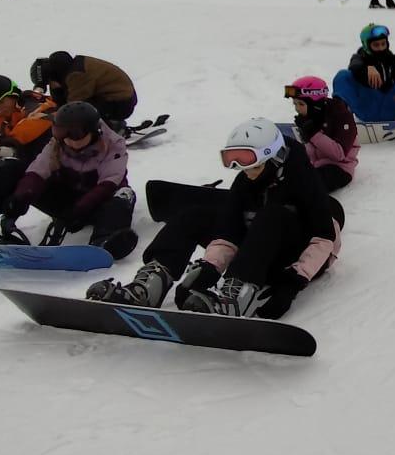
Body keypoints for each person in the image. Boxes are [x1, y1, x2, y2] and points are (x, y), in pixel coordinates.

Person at [88, 118, 343, 320]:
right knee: (193, 215)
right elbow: (228, 232)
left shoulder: (303, 179)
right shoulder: (246, 181)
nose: (243, 169)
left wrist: (293, 282)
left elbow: (326, 237)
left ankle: (236, 297)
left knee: (272, 215)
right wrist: (210, 269)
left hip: (291, 261)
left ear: (273, 156)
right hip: (253, 251)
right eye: (234, 160)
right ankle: (150, 284)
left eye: (250, 161)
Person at [0, 102, 138, 259]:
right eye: (62, 132)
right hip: (66, 200)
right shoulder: (58, 144)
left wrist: (76, 212)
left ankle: (104, 243)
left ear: (94, 131)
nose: (68, 140)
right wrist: (19, 201)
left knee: (124, 195)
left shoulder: (113, 145)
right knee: (9, 166)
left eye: (76, 134)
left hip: (98, 203)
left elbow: (108, 184)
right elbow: (37, 173)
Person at [30, 51, 138, 131]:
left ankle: (110, 130)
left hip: (122, 104)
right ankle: (110, 124)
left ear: (54, 75)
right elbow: (61, 103)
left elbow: (72, 107)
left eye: (49, 82)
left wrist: (46, 117)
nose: (50, 86)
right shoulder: (71, 68)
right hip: (116, 99)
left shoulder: (76, 75)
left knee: (80, 113)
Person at [285, 75, 359, 192]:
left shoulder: (341, 115)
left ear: (315, 103)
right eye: (295, 104)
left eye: (301, 104)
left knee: (305, 186)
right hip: (314, 165)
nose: (297, 109)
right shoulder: (310, 116)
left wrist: (313, 133)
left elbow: (339, 154)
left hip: (339, 168)